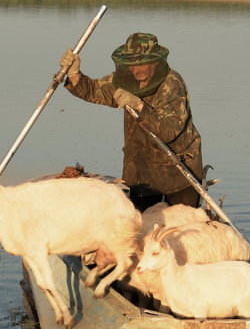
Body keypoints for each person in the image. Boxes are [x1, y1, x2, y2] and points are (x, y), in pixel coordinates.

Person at [59, 32, 204, 210]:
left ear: (155, 61)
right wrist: (74, 74)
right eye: (131, 64)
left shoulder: (172, 83)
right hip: (139, 170)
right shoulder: (125, 79)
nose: (136, 69)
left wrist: (139, 105)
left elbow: (170, 130)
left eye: (142, 63)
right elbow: (96, 91)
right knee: (138, 227)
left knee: (183, 226)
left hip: (177, 172)